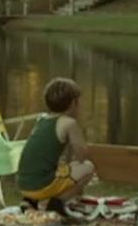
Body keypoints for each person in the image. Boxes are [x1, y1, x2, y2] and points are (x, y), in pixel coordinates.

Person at [17, 78, 96, 215]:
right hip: (41, 186)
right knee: (88, 168)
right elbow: (82, 156)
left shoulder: (42, 120)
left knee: (62, 167)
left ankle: (30, 201)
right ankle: (57, 203)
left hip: (23, 184)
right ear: (73, 103)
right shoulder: (69, 123)